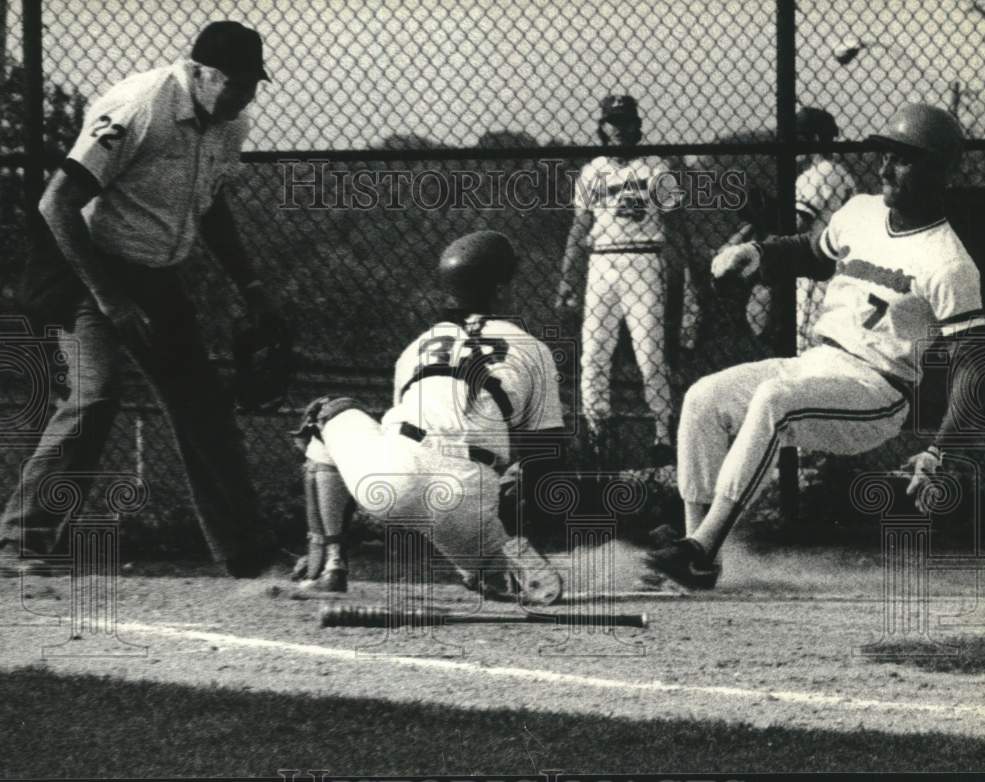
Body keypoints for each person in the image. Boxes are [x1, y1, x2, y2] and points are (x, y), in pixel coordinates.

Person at [637, 103, 985, 590]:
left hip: (877, 391)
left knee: (774, 402)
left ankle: (700, 547)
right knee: (703, 396)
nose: (885, 167)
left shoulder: (949, 263)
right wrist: (755, 253)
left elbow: (976, 368)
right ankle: (697, 549)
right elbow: (812, 251)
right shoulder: (862, 211)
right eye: (884, 154)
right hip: (819, 362)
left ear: (939, 170)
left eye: (902, 158)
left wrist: (939, 452)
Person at [0, 21, 282, 578]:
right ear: (200, 72)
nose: (245, 94)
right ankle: (19, 544)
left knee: (203, 408)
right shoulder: (140, 104)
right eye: (234, 82)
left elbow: (213, 207)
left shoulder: (230, 123)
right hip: (87, 267)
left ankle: (247, 552)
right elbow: (58, 204)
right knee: (98, 395)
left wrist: (251, 287)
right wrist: (107, 297)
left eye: (253, 83)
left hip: (156, 273)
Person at [291, 230, 565, 605]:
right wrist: (515, 504)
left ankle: (327, 563)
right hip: (466, 495)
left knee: (326, 412)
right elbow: (547, 457)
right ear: (501, 291)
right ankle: (493, 568)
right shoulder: (533, 349)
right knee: (493, 569)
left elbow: (400, 422)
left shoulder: (417, 346)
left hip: (391, 477)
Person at [555, 94, 695, 465]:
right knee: (594, 353)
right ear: (602, 127)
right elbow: (579, 226)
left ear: (637, 125)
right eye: (612, 122)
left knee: (650, 354)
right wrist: (568, 277)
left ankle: (663, 434)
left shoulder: (656, 167)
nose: (619, 129)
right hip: (601, 263)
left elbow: (675, 224)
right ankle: (597, 433)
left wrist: (688, 275)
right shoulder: (593, 170)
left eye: (625, 121)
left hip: (644, 259)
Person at [793, 107, 856, 353]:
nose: (794, 145)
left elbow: (797, 224)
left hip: (815, 272)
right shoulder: (841, 173)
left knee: (806, 345)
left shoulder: (820, 174)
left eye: (799, 138)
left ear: (815, 140)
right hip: (836, 267)